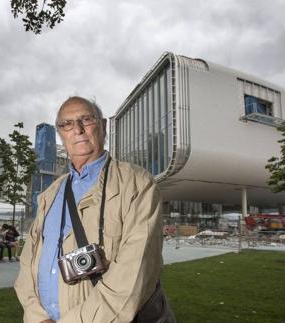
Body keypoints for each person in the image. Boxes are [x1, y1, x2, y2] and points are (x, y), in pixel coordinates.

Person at [14, 96, 173, 322]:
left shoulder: (137, 184)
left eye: (86, 119)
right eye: (67, 124)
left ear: (103, 125)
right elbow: (28, 264)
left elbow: (133, 274)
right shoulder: (50, 194)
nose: (77, 129)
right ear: (61, 133)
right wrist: (36, 316)